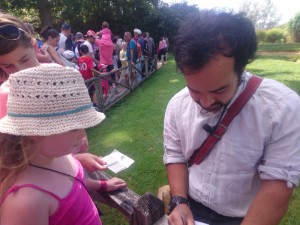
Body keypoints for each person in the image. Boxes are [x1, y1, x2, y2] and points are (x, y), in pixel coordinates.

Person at [163, 10, 300, 225]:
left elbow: (277, 186)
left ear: (242, 68)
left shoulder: (283, 108)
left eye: (219, 90)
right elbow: (175, 155)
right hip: (191, 205)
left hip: (248, 216)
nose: (206, 103)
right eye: (195, 90)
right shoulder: (176, 105)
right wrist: (179, 202)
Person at [0, 64, 127, 225]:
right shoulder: (25, 202)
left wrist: (102, 185)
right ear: (36, 132)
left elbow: (73, 184)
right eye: (74, 128)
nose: (82, 135)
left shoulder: (59, 156)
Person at [0, 12, 119, 173]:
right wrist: (76, 160)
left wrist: (80, 138)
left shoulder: (57, 76)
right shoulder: (6, 97)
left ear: (33, 46)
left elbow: (76, 114)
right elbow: (18, 161)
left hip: (72, 162)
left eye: (24, 59)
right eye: (8, 66)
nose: (20, 71)